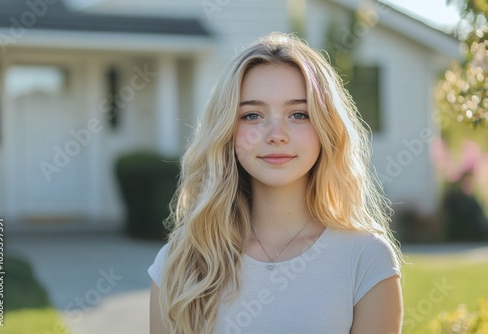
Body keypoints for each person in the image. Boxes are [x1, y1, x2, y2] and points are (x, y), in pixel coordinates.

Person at [149, 32, 403, 334]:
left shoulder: (366, 259)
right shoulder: (181, 263)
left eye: (298, 114)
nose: (276, 134)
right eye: (252, 115)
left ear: (326, 128)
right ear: (227, 130)